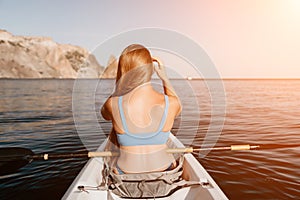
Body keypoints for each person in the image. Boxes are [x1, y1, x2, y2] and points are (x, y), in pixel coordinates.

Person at [101, 44, 181, 174]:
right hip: (165, 174)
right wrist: (164, 77)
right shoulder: (171, 103)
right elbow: (178, 106)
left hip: (125, 176)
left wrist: (121, 84)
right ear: (151, 69)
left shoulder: (112, 103)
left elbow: (104, 115)